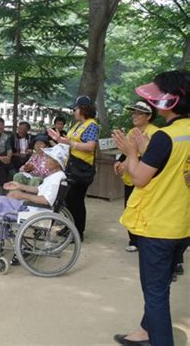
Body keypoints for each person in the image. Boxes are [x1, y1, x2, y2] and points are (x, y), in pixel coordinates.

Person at [112, 70, 189, 346]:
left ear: (172, 100)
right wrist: (145, 151)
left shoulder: (165, 137)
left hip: (158, 227)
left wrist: (132, 153)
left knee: (155, 293)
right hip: (183, 225)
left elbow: (140, 179)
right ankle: (145, 330)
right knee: (162, 284)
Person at [0, 144, 70, 265]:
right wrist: (19, 187)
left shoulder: (56, 179)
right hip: (36, 208)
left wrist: (22, 195)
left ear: (57, 163)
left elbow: (46, 201)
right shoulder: (55, 176)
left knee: (2, 203)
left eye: (49, 158)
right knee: (4, 201)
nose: (46, 160)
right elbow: (38, 189)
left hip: (37, 211)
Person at [48, 95, 99, 241]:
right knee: (69, 199)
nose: (73, 111)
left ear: (83, 109)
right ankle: (69, 228)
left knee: (76, 200)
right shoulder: (78, 125)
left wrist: (71, 144)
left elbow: (90, 146)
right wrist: (58, 139)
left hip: (82, 169)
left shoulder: (91, 125)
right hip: (72, 166)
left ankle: (78, 232)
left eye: (75, 109)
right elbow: (68, 142)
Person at [113, 101, 158, 253]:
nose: (135, 116)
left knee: (146, 209)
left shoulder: (155, 133)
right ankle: (134, 240)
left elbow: (153, 159)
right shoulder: (132, 132)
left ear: (149, 116)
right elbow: (126, 152)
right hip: (130, 177)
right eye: (133, 113)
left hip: (146, 179)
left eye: (139, 113)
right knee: (130, 207)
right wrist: (119, 163)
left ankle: (146, 241)